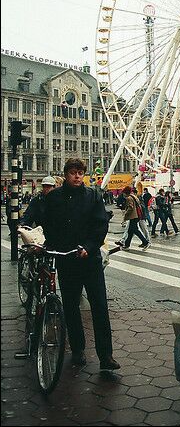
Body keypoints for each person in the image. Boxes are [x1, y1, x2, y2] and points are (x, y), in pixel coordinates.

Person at [43, 158, 120, 371]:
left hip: (90, 260)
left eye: (80, 173)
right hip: (67, 259)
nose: (77, 176)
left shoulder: (93, 196)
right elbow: (48, 223)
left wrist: (89, 246)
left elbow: (100, 225)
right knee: (70, 307)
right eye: (73, 173)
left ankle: (106, 355)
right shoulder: (54, 198)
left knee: (100, 306)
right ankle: (78, 350)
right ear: (66, 174)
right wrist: (52, 244)